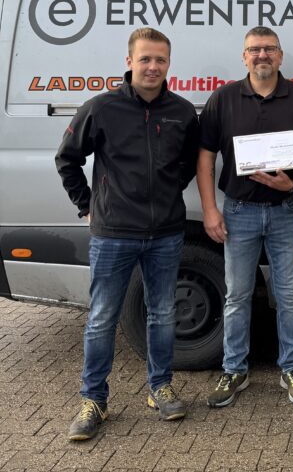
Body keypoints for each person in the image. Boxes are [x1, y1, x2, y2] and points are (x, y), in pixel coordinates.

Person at [56, 27, 200, 441]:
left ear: (169, 64)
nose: (153, 66)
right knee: (102, 317)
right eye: (145, 59)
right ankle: (93, 400)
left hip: (165, 233)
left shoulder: (182, 112)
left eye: (160, 60)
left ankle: (160, 388)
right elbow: (66, 159)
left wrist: (167, 193)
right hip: (113, 233)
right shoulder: (101, 108)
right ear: (129, 61)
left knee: (163, 314)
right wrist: (87, 206)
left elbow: (188, 163)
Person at [197, 26, 293, 407]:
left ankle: (292, 367)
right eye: (254, 49)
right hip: (239, 211)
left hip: (286, 210)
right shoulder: (223, 98)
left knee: (289, 296)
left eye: (269, 49)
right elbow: (205, 158)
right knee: (237, 296)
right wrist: (209, 209)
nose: (262, 55)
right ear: (244, 57)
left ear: (280, 56)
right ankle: (234, 369)